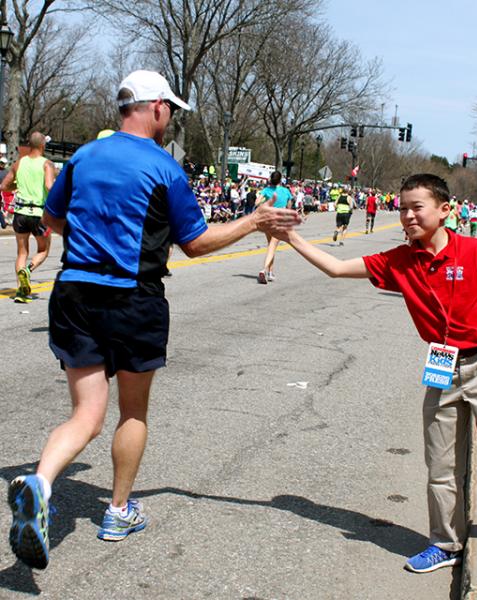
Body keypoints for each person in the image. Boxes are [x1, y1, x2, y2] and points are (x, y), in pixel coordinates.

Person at [6, 70, 300, 570]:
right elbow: (196, 242)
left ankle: (42, 482)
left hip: (74, 292)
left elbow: (53, 220)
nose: (170, 120)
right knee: (133, 413)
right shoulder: (163, 168)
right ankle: (118, 512)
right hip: (133, 299)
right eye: (170, 110)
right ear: (156, 108)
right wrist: (254, 221)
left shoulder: (81, 157)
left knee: (85, 416)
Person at [280, 173, 477, 573]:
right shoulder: (401, 261)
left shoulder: (473, 251)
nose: (407, 215)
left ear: (444, 209)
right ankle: (445, 542)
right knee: (440, 463)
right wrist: (291, 239)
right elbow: (336, 268)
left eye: (416, 207)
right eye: (402, 208)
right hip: (443, 367)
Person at [0, 132, 56, 303]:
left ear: (30, 145)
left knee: (22, 252)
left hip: (20, 214)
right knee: (43, 250)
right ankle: (29, 271)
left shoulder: (19, 163)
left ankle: (21, 292)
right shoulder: (47, 164)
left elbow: (4, 186)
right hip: (39, 215)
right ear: (42, 146)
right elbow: (48, 186)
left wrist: (17, 185)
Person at [256, 170, 293, 284]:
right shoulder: (285, 191)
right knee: (272, 246)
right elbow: (289, 205)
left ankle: (271, 272)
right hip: (279, 220)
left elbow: (257, 202)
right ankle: (265, 270)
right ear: (280, 179)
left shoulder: (266, 190)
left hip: (268, 220)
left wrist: (264, 203)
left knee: (270, 246)